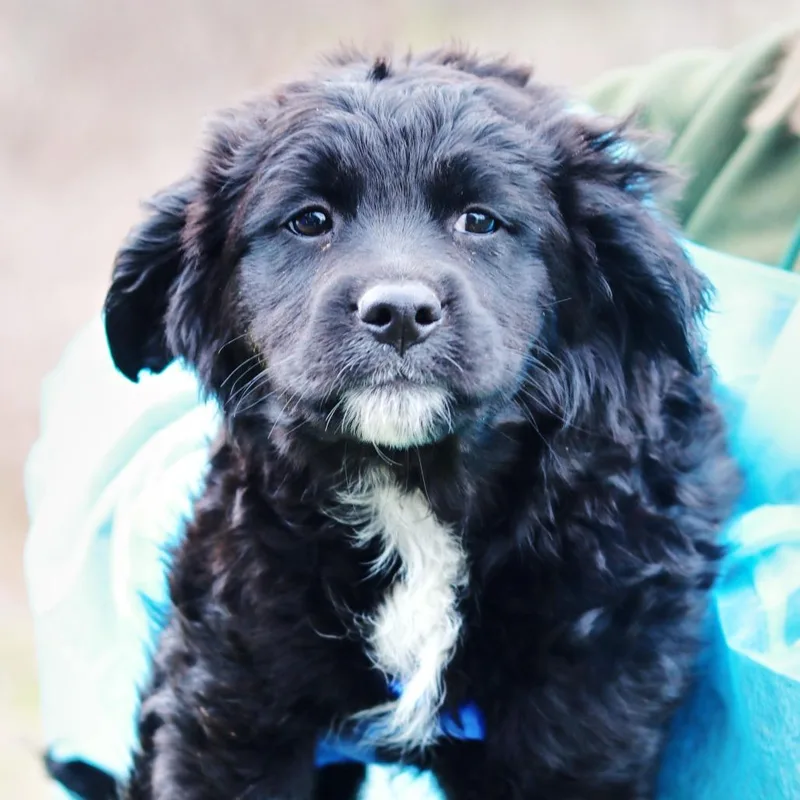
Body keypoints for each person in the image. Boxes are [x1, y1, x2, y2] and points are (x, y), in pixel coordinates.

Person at [25, 29, 800, 800]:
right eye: (310, 220)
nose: (398, 292)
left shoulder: (630, 540)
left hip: (566, 564)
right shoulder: (717, 109)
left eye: (480, 221)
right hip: (298, 530)